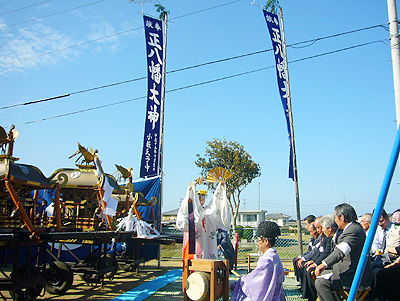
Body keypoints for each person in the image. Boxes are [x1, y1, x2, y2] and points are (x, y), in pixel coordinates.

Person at [176, 181, 231, 289]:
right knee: (193, 268)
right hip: (194, 245)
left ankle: (209, 288)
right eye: (199, 198)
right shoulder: (193, 212)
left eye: (203, 198)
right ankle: (191, 289)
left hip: (208, 246)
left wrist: (220, 189)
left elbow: (216, 205)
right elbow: (183, 222)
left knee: (208, 268)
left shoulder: (208, 212)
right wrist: (191, 191)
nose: (201, 200)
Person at [314, 203, 371, 301]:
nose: (335, 221)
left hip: (355, 275)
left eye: (336, 218)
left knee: (321, 283)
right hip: (349, 271)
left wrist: (323, 265)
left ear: (342, 218)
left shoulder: (354, 231)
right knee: (320, 277)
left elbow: (341, 251)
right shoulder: (353, 229)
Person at [231, 221, 286, 301]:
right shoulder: (275, 257)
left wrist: (240, 282)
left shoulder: (267, 260)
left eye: (259, 240)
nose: (258, 244)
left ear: (266, 241)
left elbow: (255, 284)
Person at [301, 215, 340, 301]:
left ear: (329, 228)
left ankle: (313, 296)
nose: (320, 231)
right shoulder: (328, 237)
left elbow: (330, 253)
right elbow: (317, 251)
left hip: (338, 270)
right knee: (316, 277)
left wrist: (319, 264)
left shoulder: (335, 237)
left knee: (320, 280)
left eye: (321, 228)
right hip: (329, 265)